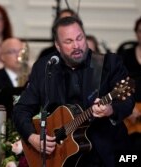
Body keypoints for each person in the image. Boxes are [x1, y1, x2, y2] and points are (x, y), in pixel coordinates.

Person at [13, 16, 135, 167]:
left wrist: (110, 110)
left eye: (80, 38)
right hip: (60, 157)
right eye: (68, 41)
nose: (77, 45)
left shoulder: (109, 64)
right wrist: (32, 137)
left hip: (106, 153)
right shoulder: (45, 67)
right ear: (57, 45)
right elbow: (21, 109)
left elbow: (127, 101)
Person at [119, 16, 141, 151]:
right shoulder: (126, 56)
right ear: (136, 33)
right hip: (130, 114)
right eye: (140, 31)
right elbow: (118, 84)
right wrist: (129, 107)